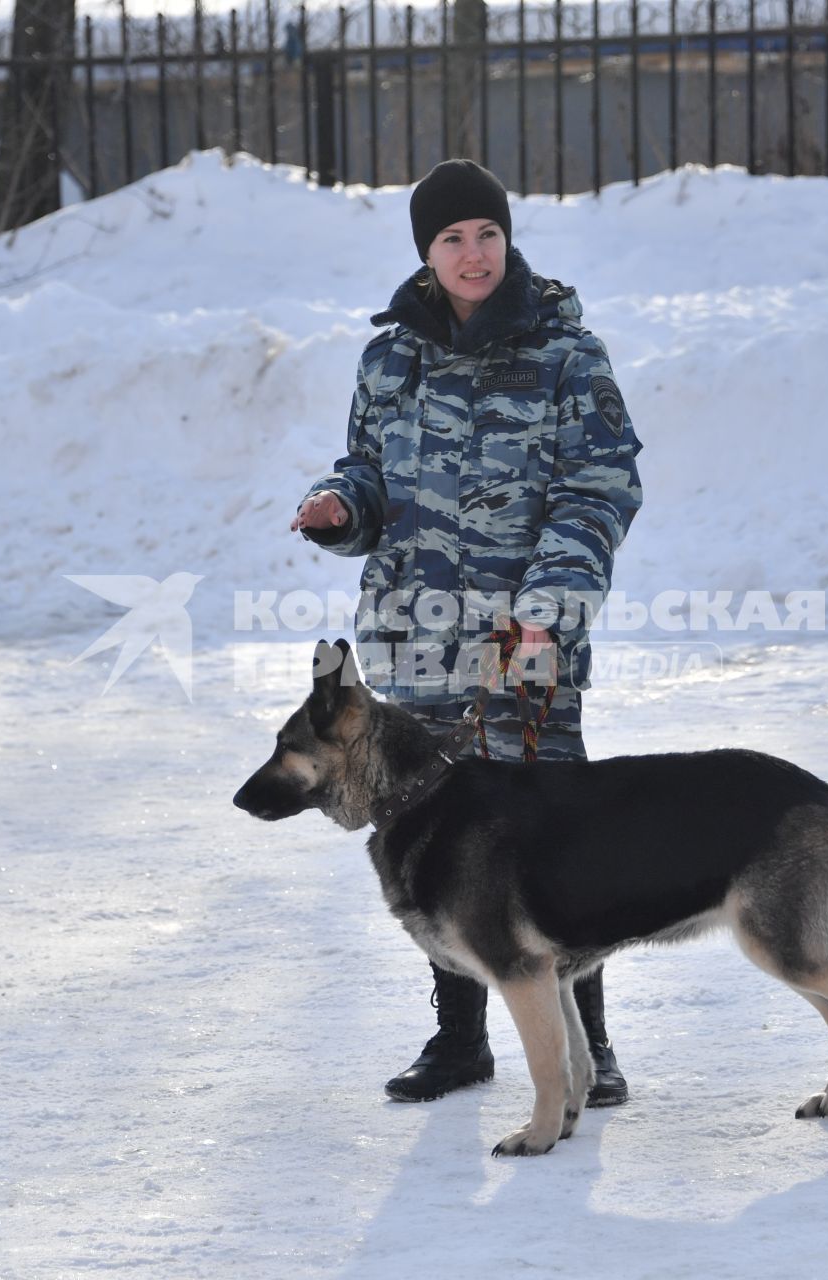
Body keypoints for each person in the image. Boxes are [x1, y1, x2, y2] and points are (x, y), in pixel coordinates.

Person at [289, 158, 645, 1107]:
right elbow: (368, 473)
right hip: (413, 640)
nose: (473, 252)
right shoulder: (388, 359)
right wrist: (339, 506)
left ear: (507, 238)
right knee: (435, 839)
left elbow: (599, 491)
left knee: (550, 842)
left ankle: (588, 1046)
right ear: (427, 252)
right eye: (452, 238)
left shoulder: (568, 356)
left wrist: (547, 611)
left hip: (521, 644)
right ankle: (460, 1041)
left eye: (487, 233)